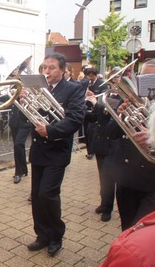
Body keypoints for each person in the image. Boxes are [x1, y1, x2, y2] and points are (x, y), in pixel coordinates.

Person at [26, 53, 85, 257]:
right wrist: (26, 101)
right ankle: (42, 235)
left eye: (51, 68)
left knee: (48, 194)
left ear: (62, 70)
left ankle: (56, 236)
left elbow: (76, 118)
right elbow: (31, 114)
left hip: (57, 151)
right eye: (44, 67)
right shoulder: (39, 89)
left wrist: (50, 131)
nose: (46, 72)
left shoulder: (74, 89)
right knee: (36, 195)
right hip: (39, 150)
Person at [106, 58, 155, 231]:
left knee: (142, 230)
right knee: (127, 228)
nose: (147, 84)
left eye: (154, 79)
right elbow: (110, 133)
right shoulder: (131, 99)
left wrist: (154, 136)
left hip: (153, 182)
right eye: (143, 78)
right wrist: (120, 116)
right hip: (127, 178)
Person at [85, 67, 121, 222]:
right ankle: (104, 203)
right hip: (100, 140)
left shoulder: (122, 97)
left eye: (118, 77)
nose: (115, 80)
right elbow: (96, 117)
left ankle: (108, 208)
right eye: (113, 77)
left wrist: (96, 104)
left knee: (108, 177)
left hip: (112, 142)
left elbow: (112, 115)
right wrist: (85, 110)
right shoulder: (106, 94)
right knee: (102, 175)